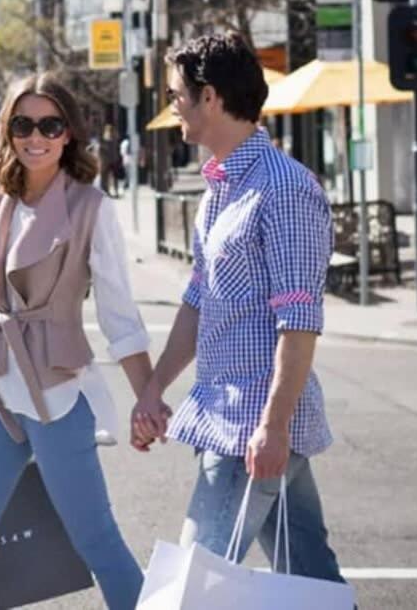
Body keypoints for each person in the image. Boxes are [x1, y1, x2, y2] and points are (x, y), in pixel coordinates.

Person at [0, 73, 156, 610]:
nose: (37, 137)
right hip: (1, 400)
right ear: (7, 131)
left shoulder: (90, 207)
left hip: (58, 396)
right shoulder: (2, 204)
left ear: (69, 133)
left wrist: (147, 395)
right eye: (24, 124)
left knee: (97, 541)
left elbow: (119, 314)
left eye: (50, 125)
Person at [131, 33, 348, 585]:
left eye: (178, 92)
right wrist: (154, 387)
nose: (173, 104)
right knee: (310, 579)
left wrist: (273, 426)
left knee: (194, 581)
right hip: (231, 417)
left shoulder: (284, 189)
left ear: (210, 97)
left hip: (252, 426)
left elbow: (299, 321)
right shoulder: (219, 190)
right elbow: (198, 303)